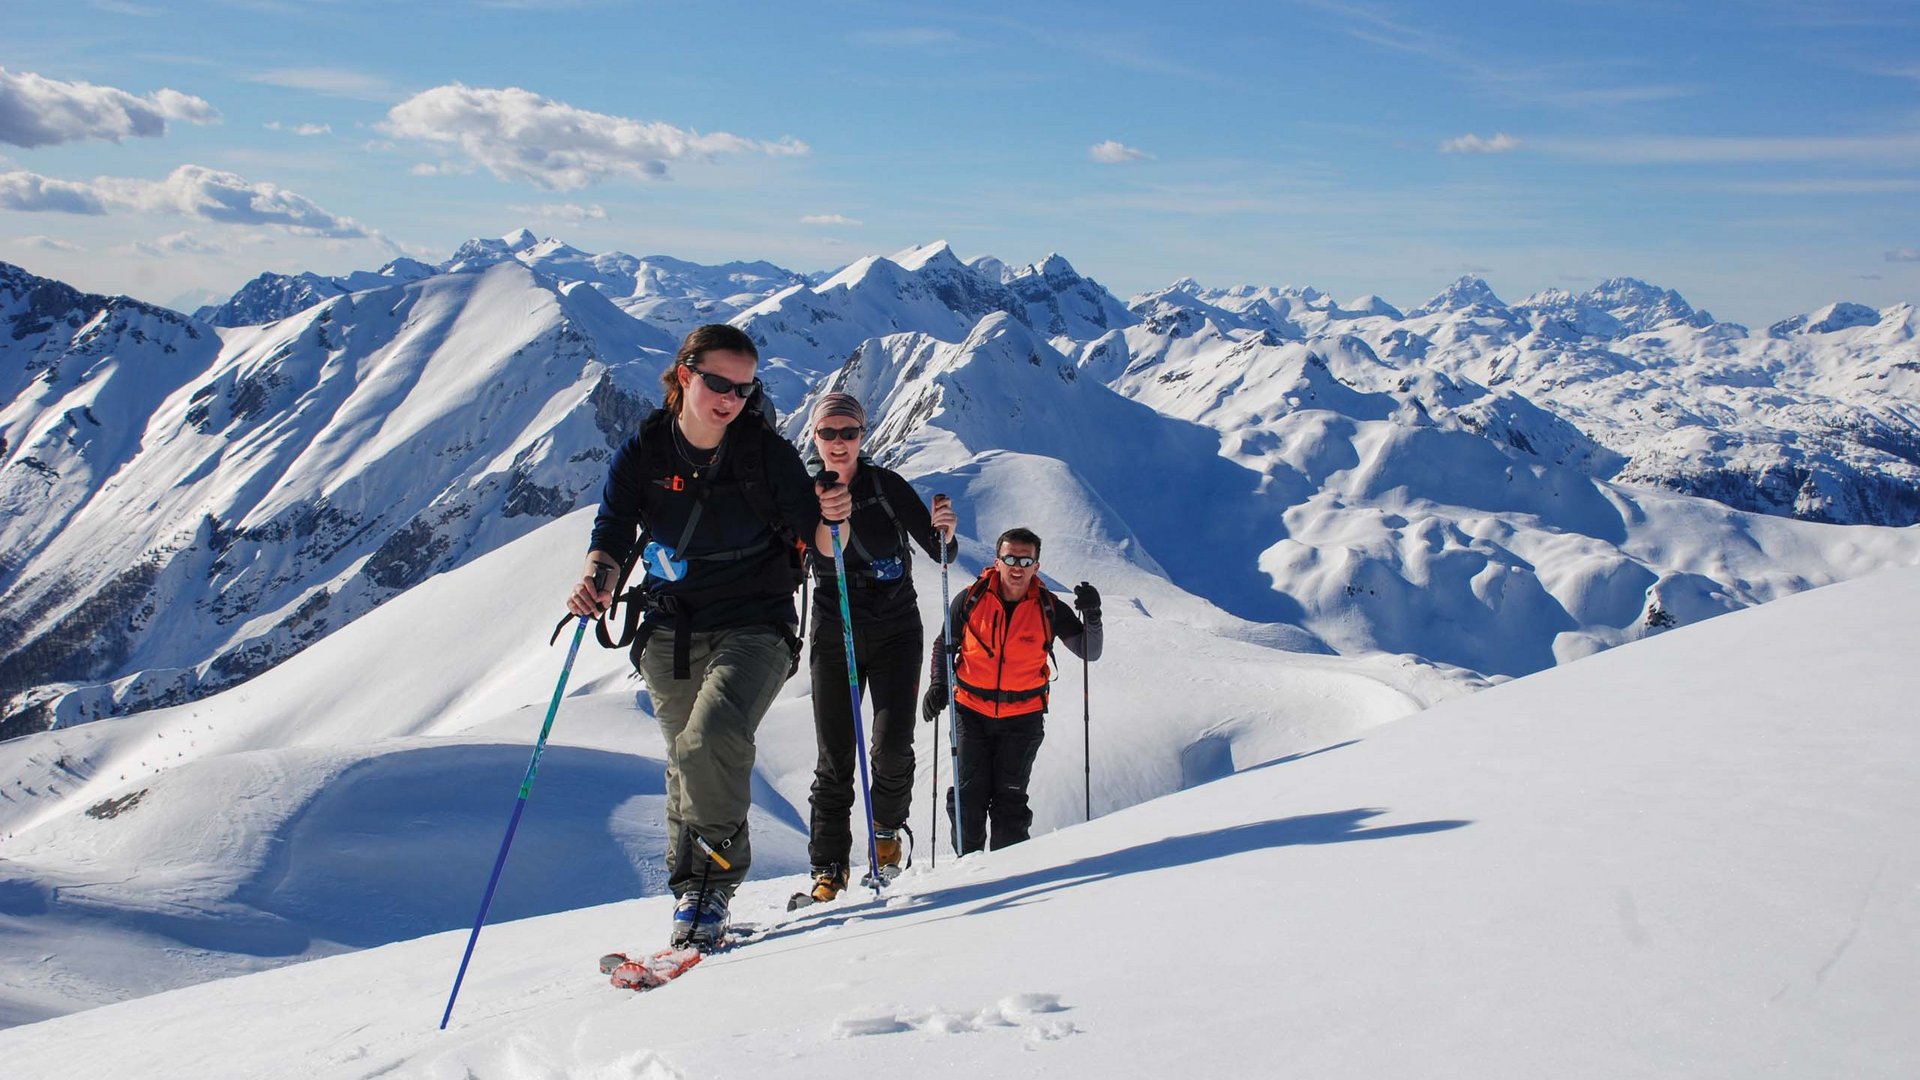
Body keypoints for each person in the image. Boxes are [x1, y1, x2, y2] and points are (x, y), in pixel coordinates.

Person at [567, 323, 846, 948]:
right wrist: (598, 580)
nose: (731, 399)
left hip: (758, 622)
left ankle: (712, 886)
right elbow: (612, 530)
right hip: (670, 624)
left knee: (709, 742)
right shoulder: (646, 449)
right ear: (685, 374)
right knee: (684, 763)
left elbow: (823, 544)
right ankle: (689, 896)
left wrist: (836, 518)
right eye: (719, 383)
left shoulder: (763, 453)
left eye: (745, 389)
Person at [799, 392, 957, 905]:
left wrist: (946, 535)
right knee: (835, 756)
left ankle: (886, 833)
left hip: (895, 630)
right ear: (815, 436)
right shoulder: (805, 495)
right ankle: (830, 868)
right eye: (829, 433)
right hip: (834, 631)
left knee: (891, 746)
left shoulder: (886, 487)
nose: (839, 442)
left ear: (863, 436)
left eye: (849, 432)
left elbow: (940, 551)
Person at [922, 527, 1102, 854]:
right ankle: (967, 871)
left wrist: (1093, 615)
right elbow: (944, 642)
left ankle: (1011, 874)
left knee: (1010, 805)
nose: (1016, 566)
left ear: (1036, 565)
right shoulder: (971, 598)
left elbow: (1090, 650)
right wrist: (939, 683)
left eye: (1025, 559)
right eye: (1010, 558)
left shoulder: (1049, 607)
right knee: (968, 801)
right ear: (997, 561)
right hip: (970, 713)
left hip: (1023, 719)